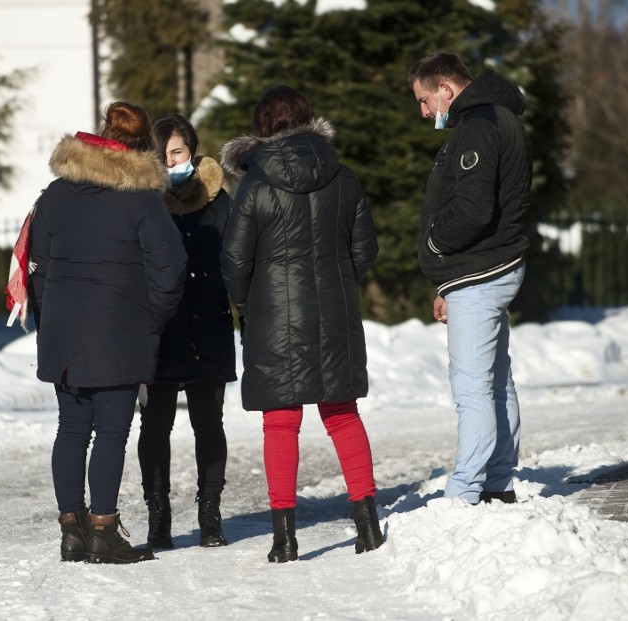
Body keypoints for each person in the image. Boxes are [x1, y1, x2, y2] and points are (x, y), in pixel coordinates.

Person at [219, 85, 383, 563]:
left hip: (274, 317)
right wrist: (339, 284)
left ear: (262, 127)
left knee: (281, 423)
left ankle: (284, 539)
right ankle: (368, 526)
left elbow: (234, 261)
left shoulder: (253, 183)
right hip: (335, 312)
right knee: (342, 414)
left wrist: (251, 307)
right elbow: (364, 250)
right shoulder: (343, 176)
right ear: (308, 119)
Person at [27, 101, 188, 563]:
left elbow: (38, 264)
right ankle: (103, 530)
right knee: (112, 431)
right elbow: (171, 266)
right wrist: (154, 316)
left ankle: (71, 530)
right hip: (121, 330)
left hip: (62, 331)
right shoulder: (141, 199)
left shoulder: (56, 193)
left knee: (71, 428)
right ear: (141, 149)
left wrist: (49, 315)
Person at [407, 52, 532, 505]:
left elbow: (474, 209)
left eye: (424, 100)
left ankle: (464, 492)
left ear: (446, 88)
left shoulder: (478, 125)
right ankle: (498, 481)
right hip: (486, 270)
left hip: (479, 271)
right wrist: (447, 283)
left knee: (472, 387)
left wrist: (436, 247)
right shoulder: (499, 118)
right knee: (496, 380)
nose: (423, 112)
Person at [136, 114, 236, 549]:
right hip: (158, 330)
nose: (169, 160)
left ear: (191, 151)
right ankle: (158, 513)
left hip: (208, 324)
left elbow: (236, 260)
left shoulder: (219, 201)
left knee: (208, 423)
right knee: (154, 427)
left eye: (176, 152)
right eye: (161, 154)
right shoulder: (142, 200)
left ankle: (210, 513)